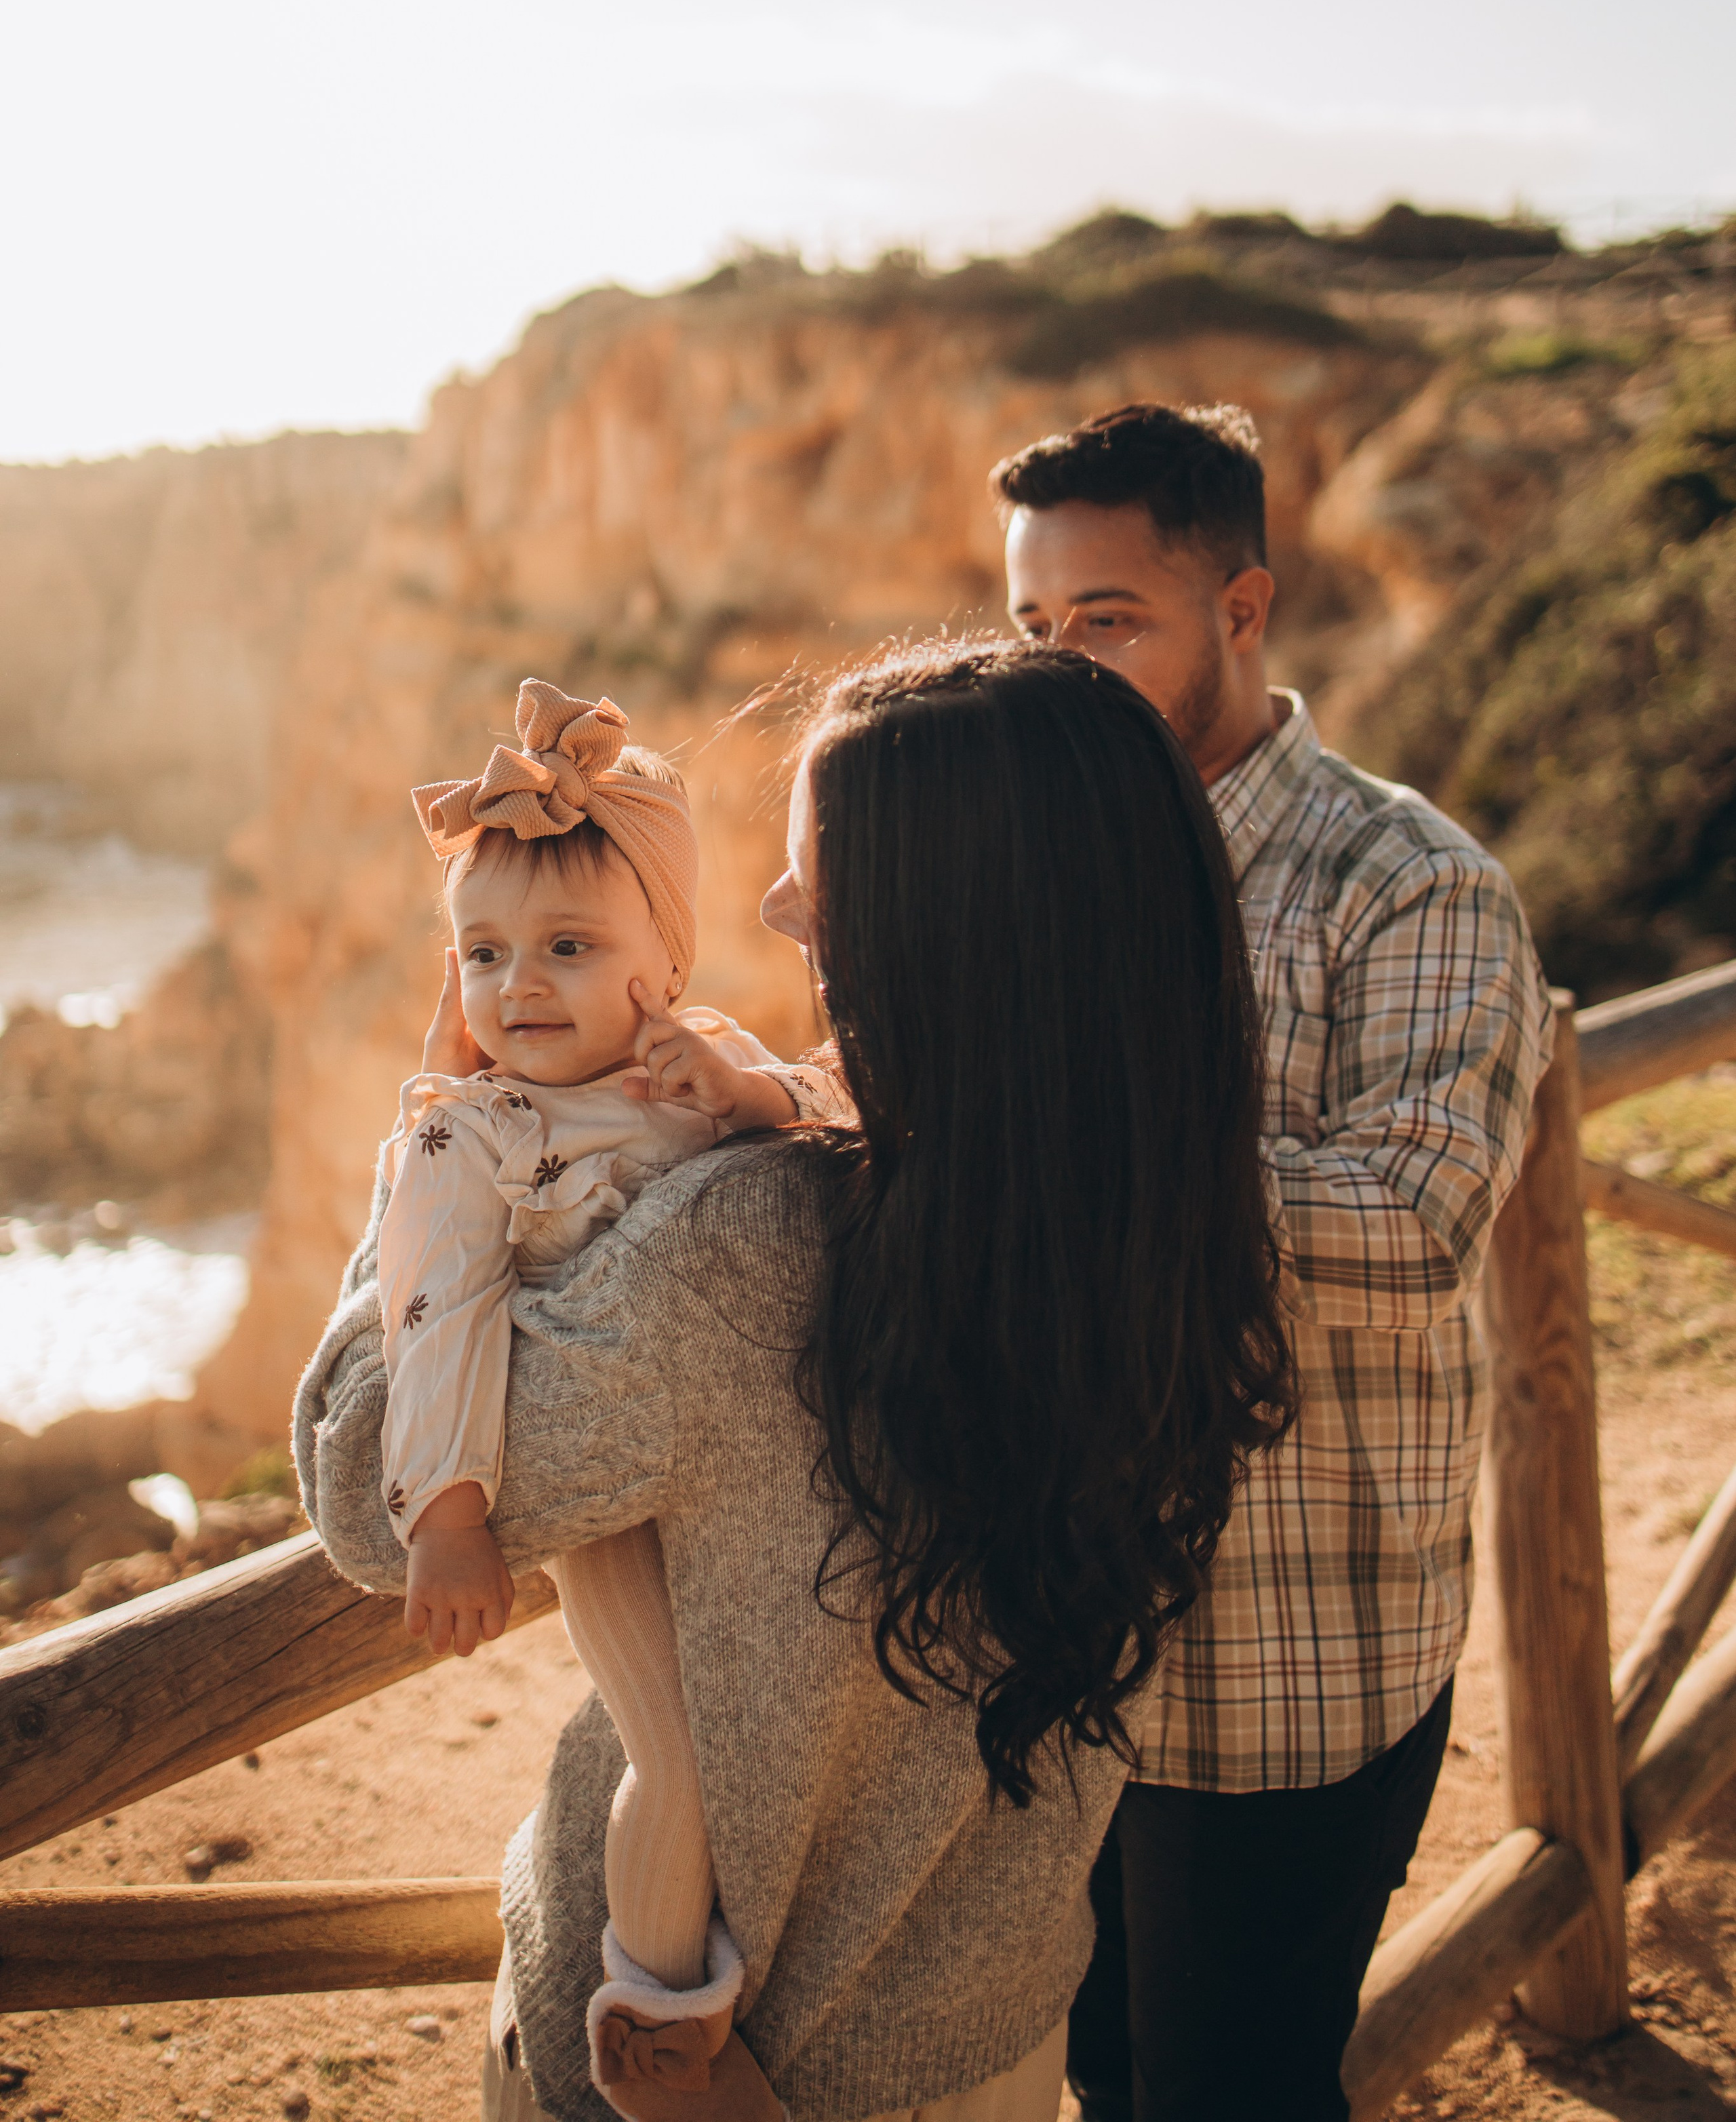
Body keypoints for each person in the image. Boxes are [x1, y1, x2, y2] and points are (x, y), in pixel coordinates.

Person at [295, 639, 1294, 2122]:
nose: (770, 903)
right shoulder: (1188, 1211)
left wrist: (436, 1158)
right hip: (988, 2030)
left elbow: (369, 1484)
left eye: (820, 866)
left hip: (713, 2065)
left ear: (948, 922)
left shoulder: (742, 1242)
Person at [993, 402, 1555, 2122]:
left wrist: (1088, 1140)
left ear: (1240, 610)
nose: (1059, 669)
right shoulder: (1023, 868)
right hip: (1050, 1639)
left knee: (1234, 2094)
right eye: (1031, 630)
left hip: (1290, 1658)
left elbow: (1410, 1220)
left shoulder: (1412, 882)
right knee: (1090, 2075)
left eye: (1106, 622)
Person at [374, 679, 843, 2117]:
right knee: (677, 1749)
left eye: (569, 948)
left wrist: (748, 1095)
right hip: (612, 1516)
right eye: (484, 953)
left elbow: (839, 1114)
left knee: (774, 1727)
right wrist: (450, 1517)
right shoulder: (472, 1135)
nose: (518, 988)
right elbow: (433, 1320)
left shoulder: (690, 1067)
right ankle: (653, 2024)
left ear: (666, 958)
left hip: (742, 1488)